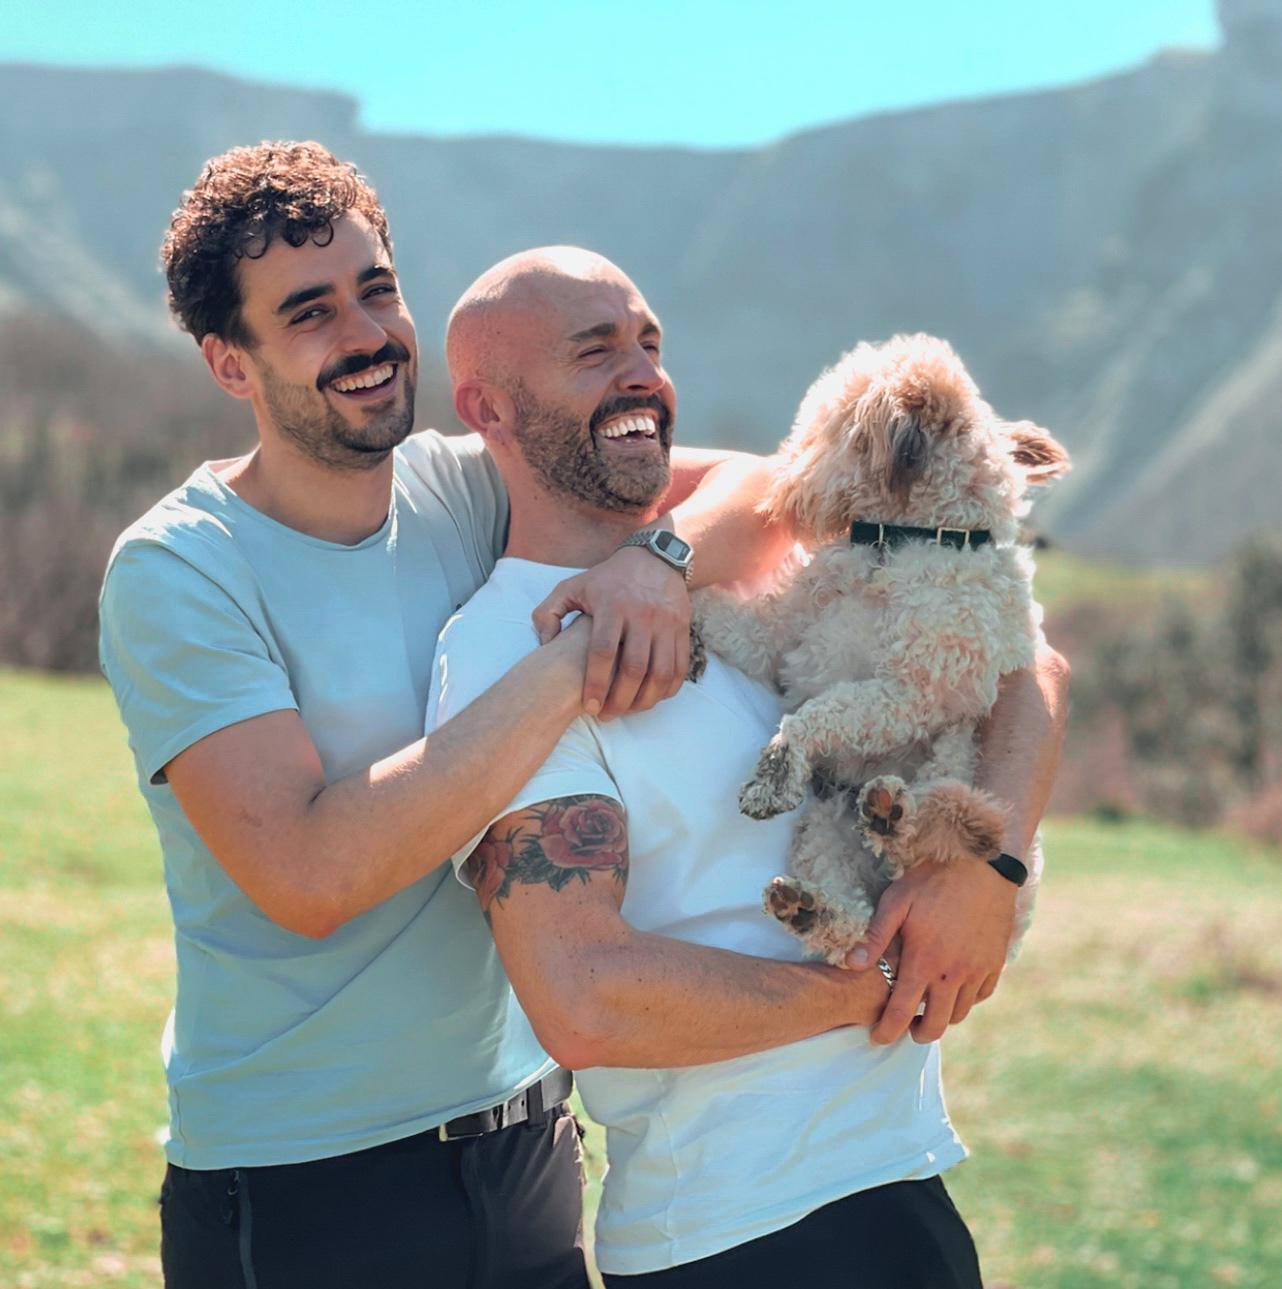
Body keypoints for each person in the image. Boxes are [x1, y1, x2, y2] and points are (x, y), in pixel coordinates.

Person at [97, 141, 822, 1289]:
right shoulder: (180, 569)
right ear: (230, 364)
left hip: (527, 1149)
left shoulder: (465, 481)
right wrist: (586, 645)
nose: (367, 335)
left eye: (375, 289)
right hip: (308, 1189)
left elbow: (782, 484)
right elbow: (311, 871)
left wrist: (662, 561)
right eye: (309, 313)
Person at [427, 246, 1070, 1286]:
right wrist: (877, 985)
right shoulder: (506, 648)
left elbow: (1027, 664)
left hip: (896, 1176)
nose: (641, 373)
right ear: (489, 411)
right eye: (594, 352)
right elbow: (584, 999)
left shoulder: (727, 570)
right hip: (736, 1231)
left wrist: (983, 870)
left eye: (649, 343)